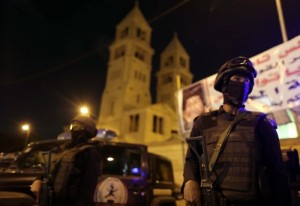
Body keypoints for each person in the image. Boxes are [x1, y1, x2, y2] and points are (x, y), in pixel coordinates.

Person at [182, 56, 291, 206]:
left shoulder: (260, 123)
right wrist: (189, 181)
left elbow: (277, 173)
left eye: (247, 81)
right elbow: (191, 159)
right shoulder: (204, 123)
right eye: (237, 79)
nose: (242, 84)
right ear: (225, 83)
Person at [30, 115, 101, 206]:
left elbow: (87, 188)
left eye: (76, 126)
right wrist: (38, 180)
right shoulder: (65, 149)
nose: (72, 130)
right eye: (72, 126)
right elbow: (52, 168)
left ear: (86, 130)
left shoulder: (90, 152)